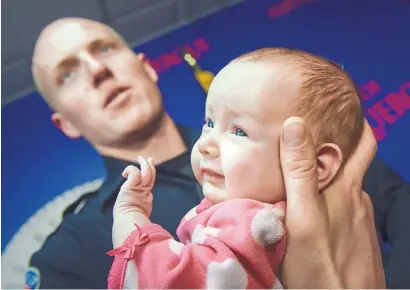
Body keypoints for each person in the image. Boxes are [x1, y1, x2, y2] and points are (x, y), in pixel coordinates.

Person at [26, 17, 408, 288]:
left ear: (146, 67)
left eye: (104, 48)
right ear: (65, 125)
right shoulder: (67, 255)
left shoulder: (290, 118)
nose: (97, 70)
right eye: (68, 73)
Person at [106, 48, 375, 289]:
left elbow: (164, 280)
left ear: (316, 166)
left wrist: (130, 215)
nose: (206, 145)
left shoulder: (252, 224)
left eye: (238, 131)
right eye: (209, 122)